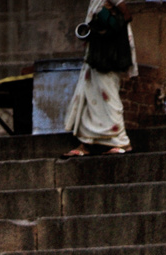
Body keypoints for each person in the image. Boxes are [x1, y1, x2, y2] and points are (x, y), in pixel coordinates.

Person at [64, 0, 137, 157]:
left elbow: (125, 14)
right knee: (89, 94)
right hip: (97, 49)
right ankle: (86, 142)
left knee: (108, 94)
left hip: (108, 52)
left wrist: (107, 28)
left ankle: (122, 141)